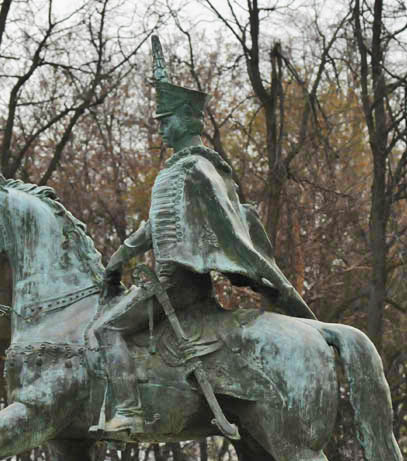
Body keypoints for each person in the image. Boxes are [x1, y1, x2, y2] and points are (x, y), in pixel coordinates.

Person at [93, 36, 315, 435]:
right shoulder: (177, 170)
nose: (160, 128)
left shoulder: (199, 169)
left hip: (177, 283)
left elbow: (228, 225)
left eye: (165, 120)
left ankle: (128, 411)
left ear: (186, 120)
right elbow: (154, 227)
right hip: (170, 280)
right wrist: (118, 258)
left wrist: (254, 273)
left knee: (106, 330)